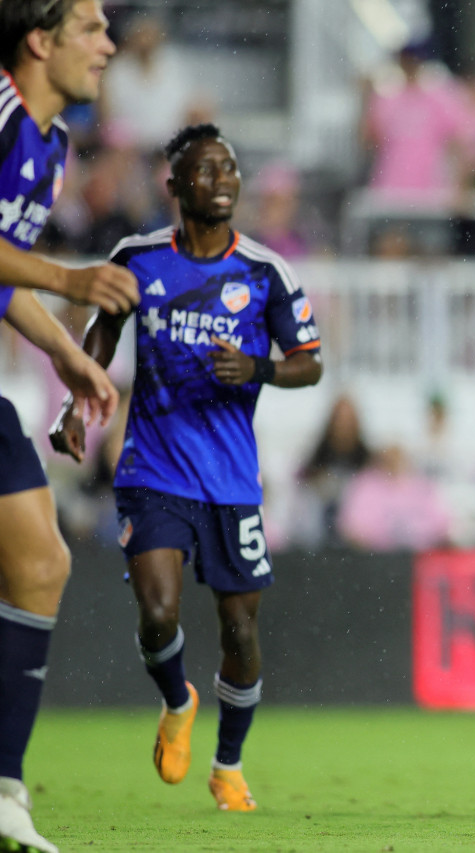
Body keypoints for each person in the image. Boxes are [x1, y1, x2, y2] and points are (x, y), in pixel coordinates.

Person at [49, 123, 322, 813]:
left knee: (239, 631)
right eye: (206, 170)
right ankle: (177, 698)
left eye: (230, 168)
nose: (223, 180)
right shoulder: (137, 258)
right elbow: (102, 335)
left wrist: (259, 367)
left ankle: (227, 765)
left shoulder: (265, 271)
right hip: (154, 466)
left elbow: (310, 362)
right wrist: (79, 404)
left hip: (231, 478)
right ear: (175, 186)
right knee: (158, 611)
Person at [0, 3, 140, 851]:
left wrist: (62, 353)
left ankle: (4, 790)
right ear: (39, 41)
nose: (109, 43)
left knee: (42, 559)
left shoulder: (48, 147)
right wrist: (72, 280)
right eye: (91, 26)